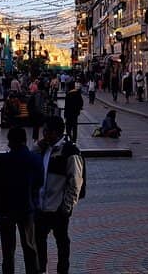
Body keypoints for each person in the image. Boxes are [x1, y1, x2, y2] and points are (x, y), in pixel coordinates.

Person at [0, 127, 44, 274]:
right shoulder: (35, 159)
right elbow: (39, 182)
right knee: (30, 246)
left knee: (8, 250)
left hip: (6, 210)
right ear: (25, 140)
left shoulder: (3, 160)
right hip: (27, 208)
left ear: (10, 141)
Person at [36, 116, 84, 274]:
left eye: (46, 131)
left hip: (58, 208)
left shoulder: (70, 151)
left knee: (62, 243)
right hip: (41, 207)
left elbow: (75, 182)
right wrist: (37, 146)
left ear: (54, 132)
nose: (43, 134)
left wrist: (66, 207)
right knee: (39, 242)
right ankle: (41, 270)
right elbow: (31, 160)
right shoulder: (45, 148)